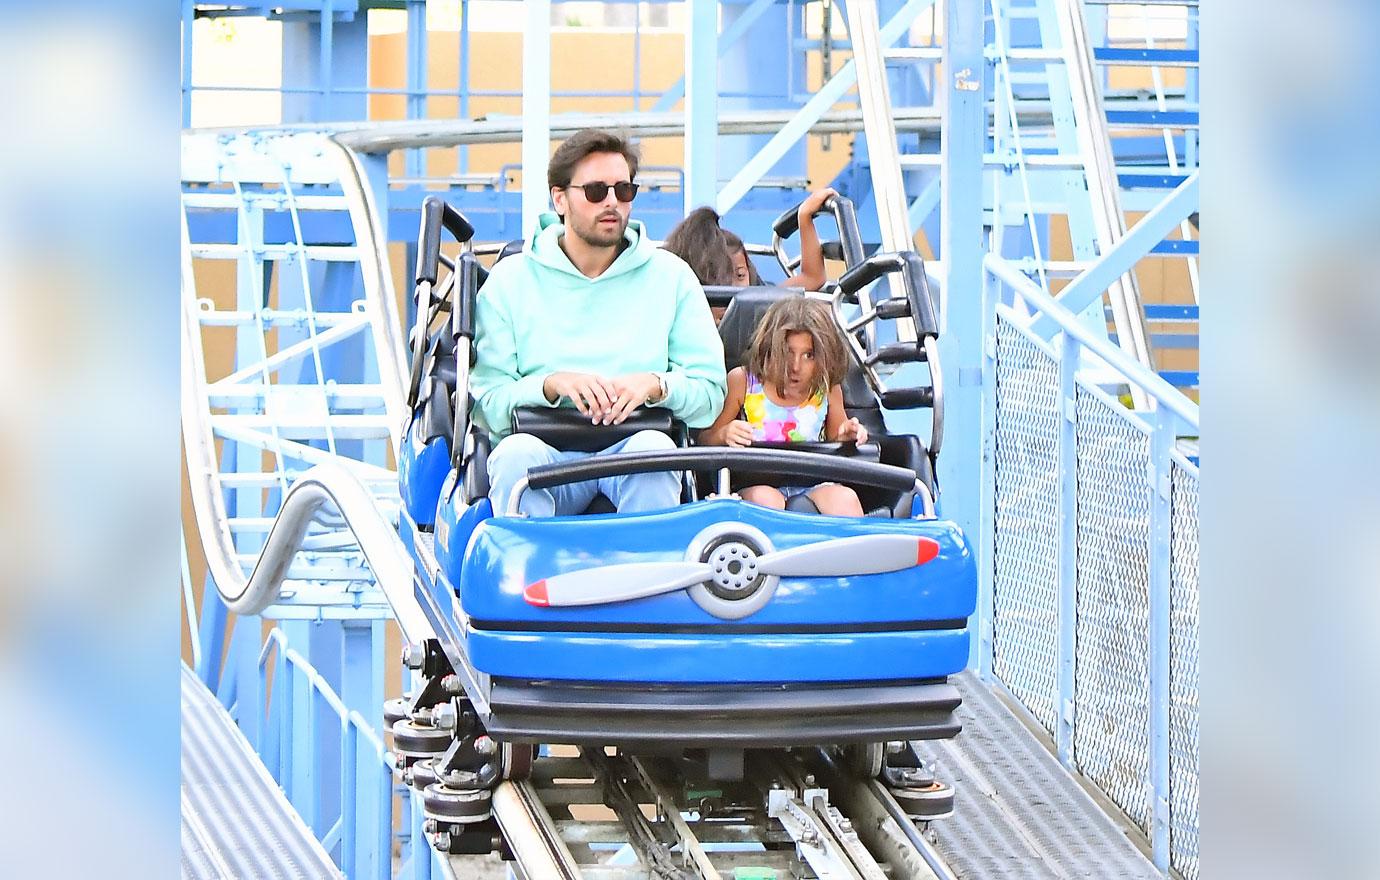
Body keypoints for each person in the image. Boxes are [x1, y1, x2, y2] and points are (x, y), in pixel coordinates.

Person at [470, 128, 727, 517]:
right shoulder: (509, 281)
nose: (612, 203)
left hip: (635, 444)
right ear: (560, 198)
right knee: (514, 456)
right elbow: (486, 404)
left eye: (624, 191)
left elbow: (709, 397)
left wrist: (657, 386)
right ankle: (532, 577)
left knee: (654, 453)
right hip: (541, 448)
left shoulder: (672, 277)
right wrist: (551, 385)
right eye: (595, 191)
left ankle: (649, 577)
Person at [699, 297, 869, 516]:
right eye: (788, 352)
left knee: (844, 499)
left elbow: (838, 438)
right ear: (770, 348)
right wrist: (724, 434)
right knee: (764, 499)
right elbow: (705, 440)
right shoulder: (742, 381)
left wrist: (848, 433)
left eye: (808, 355)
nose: (795, 366)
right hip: (755, 483)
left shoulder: (827, 389)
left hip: (813, 483)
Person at [661, 187, 838, 291]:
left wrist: (804, 217)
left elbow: (812, 278)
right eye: (717, 278)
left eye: (739, 275)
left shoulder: (754, 305)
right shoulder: (678, 316)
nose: (733, 288)